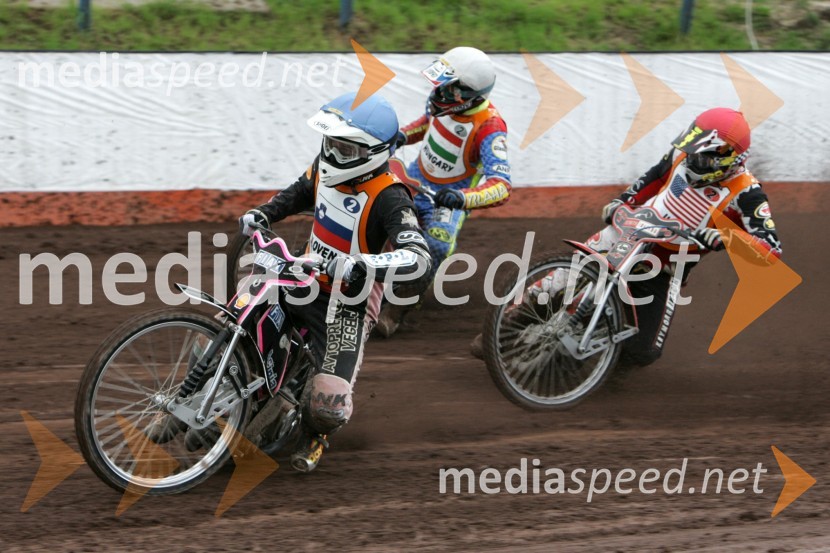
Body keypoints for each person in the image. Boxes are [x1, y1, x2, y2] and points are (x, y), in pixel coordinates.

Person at [471, 107, 782, 365]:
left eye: (701, 157)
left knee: (645, 351)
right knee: (565, 278)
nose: (691, 160)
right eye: (691, 152)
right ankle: (505, 326)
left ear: (727, 158)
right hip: (627, 232)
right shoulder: (680, 156)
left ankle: (591, 370)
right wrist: (624, 201)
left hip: (664, 269)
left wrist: (726, 239)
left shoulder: (748, 194)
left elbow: (770, 250)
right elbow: (654, 176)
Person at [239, 91, 431, 472]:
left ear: (372, 153)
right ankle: (220, 384)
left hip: (349, 303)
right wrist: (263, 212)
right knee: (242, 317)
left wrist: (364, 265)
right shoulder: (324, 168)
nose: (334, 153)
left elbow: (419, 256)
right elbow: (298, 193)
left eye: (346, 148)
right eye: (332, 143)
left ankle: (316, 436)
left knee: (328, 403)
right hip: (303, 278)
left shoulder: (391, 197)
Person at [375, 46, 512, 337]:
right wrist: (401, 136)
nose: (439, 94)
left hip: (450, 197)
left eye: (448, 89)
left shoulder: (489, 127)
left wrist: (463, 198)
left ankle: (399, 307)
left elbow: (502, 186)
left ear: (468, 94)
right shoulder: (444, 103)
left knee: (436, 245)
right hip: (415, 177)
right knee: (376, 209)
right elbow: (427, 125)